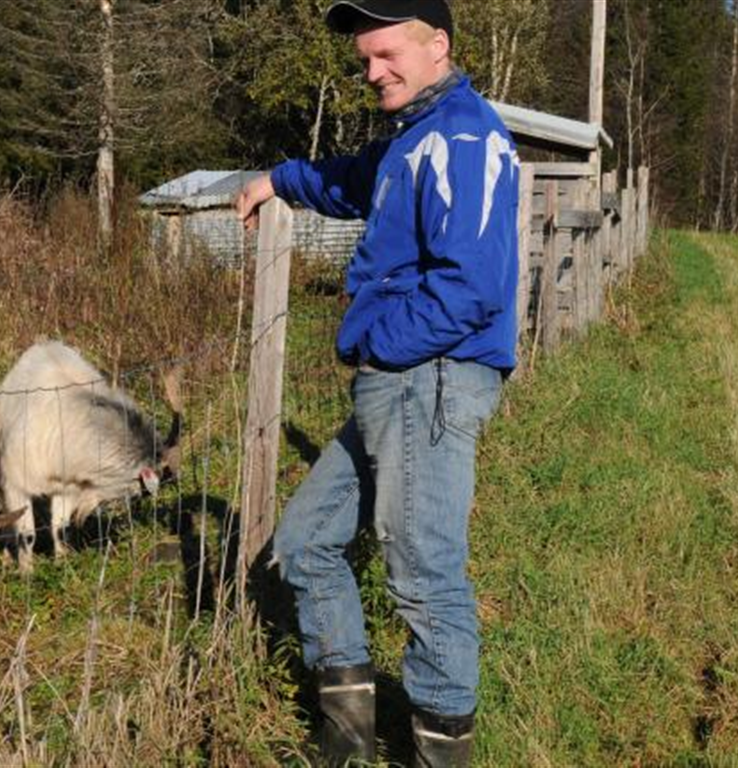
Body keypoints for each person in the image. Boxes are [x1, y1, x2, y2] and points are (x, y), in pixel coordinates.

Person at [233, 1, 519, 766]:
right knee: (305, 544)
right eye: (364, 59)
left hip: (426, 376)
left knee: (424, 573)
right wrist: (277, 180)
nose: (372, 72)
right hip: (398, 380)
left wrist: (378, 343)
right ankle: (350, 738)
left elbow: (472, 287)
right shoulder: (412, 138)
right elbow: (352, 178)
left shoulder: (462, 137)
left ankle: (438, 752)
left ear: (439, 46)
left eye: (387, 53)